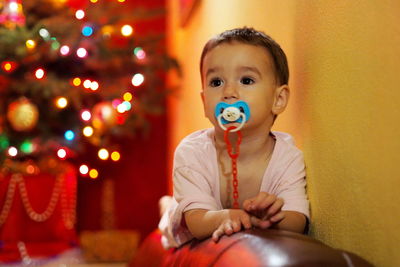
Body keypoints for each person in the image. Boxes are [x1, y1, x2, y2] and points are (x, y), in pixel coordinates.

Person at [158, 27, 309, 249]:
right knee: (169, 219)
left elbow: (298, 220)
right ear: (204, 102)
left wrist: (273, 218)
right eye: (216, 82)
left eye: (246, 80)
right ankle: (167, 205)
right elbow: (197, 222)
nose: (228, 92)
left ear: (278, 99)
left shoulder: (287, 157)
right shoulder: (191, 152)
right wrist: (227, 216)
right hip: (180, 228)